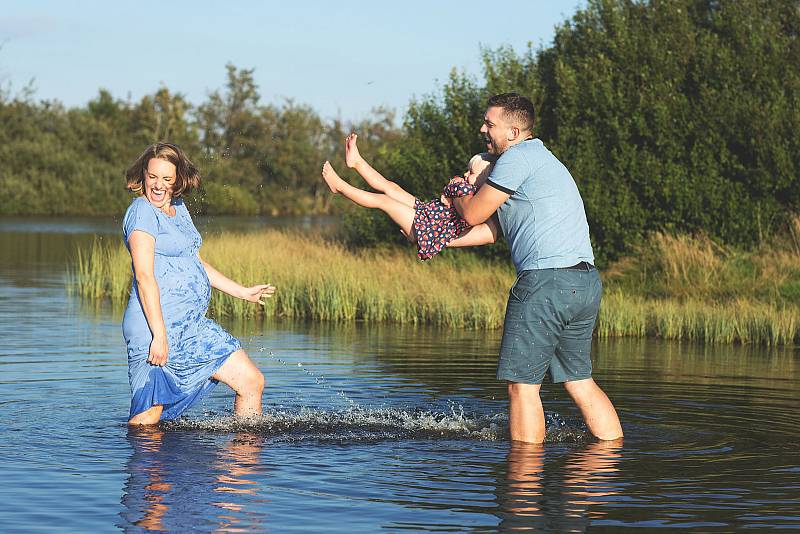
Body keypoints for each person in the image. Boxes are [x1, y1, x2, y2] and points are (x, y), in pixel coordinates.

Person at [452, 93, 623, 443]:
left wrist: (456, 189)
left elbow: (471, 214)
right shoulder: (543, 160)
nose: (482, 128)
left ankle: (524, 481)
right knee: (579, 379)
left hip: (546, 282)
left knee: (522, 387)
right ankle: (612, 457)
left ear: (514, 132)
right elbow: (492, 232)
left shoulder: (514, 160)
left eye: (490, 124)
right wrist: (439, 241)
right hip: (583, 282)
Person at [122, 142, 276, 425]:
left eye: (167, 180)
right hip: (155, 326)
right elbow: (144, 277)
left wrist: (241, 292)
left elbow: (193, 262)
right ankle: (144, 467)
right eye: (152, 177)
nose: (158, 186)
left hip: (191, 326)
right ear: (143, 173)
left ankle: (240, 463)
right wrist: (159, 335)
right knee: (149, 416)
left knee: (251, 381)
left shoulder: (178, 208)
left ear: (178, 179)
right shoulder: (142, 212)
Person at [321, 133, 497, 260]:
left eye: (471, 172)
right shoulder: (469, 192)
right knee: (391, 187)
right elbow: (447, 196)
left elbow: (451, 194)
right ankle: (357, 162)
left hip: (426, 226)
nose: (466, 174)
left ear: (484, 181)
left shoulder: (470, 195)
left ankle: (340, 187)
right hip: (425, 213)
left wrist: (452, 189)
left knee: (384, 201)